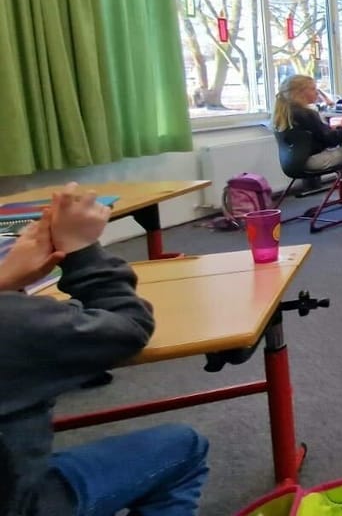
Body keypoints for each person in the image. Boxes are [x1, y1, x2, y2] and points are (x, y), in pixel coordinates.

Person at [0, 184, 210, 516]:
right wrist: (81, 249)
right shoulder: (14, 323)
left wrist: (5, 282)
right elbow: (129, 326)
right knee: (184, 446)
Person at [271, 75, 342, 183]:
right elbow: (331, 141)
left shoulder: (284, 114)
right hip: (312, 161)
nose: (316, 92)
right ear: (299, 93)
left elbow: (314, 133)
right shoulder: (306, 114)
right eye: (312, 89)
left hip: (292, 164)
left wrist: (332, 129)